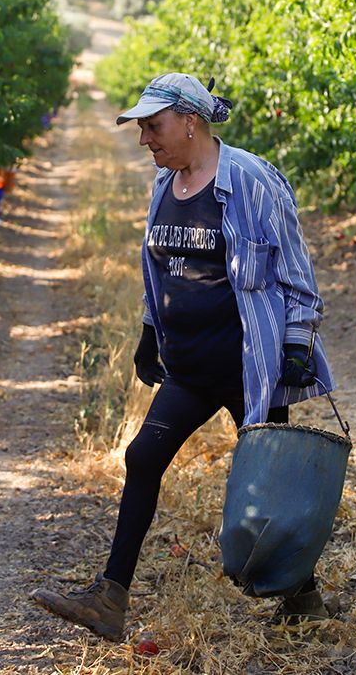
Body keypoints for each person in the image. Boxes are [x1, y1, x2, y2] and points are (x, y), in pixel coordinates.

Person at [31, 72, 335, 641]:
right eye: (142, 128)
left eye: (154, 126)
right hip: (190, 369)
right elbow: (159, 269)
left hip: (251, 368)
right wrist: (150, 331)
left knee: (266, 488)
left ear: (189, 121)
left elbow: (297, 273)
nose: (145, 138)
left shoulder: (250, 180)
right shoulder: (164, 184)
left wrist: (298, 344)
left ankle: (303, 599)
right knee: (143, 459)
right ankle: (110, 599)